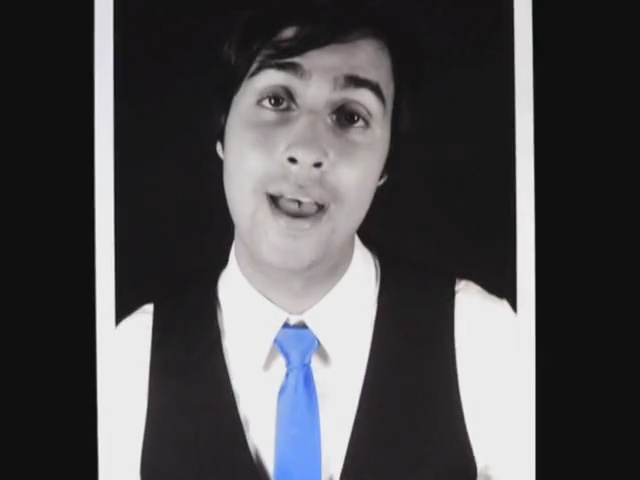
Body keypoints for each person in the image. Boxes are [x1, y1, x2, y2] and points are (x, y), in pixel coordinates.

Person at [106, 2, 532, 479]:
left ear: (385, 163)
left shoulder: (485, 341)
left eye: (350, 116)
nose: (307, 150)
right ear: (223, 128)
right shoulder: (127, 362)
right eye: (276, 100)